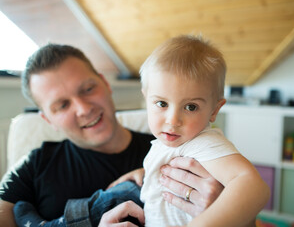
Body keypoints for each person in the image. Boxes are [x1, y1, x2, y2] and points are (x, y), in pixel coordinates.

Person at [0, 43, 224, 227]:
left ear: (106, 84)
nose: (83, 109)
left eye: (88, 89)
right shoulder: (32, 166)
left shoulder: (175, 149)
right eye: (62, 105)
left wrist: (223, 209)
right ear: (48, 119)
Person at [109, 35, 270, 226]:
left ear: (214, 110)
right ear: (146, 99)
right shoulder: (170, 144)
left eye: (191, 107)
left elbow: (253, 186)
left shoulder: (203, 142)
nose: (173, 120)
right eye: (162, 103)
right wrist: (146, 172)